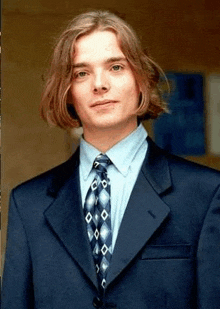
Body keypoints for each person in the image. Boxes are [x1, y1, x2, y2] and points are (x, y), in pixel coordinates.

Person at [2, 10, 220, 309]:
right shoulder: (28, 203)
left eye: (116, 67)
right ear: (67, 92)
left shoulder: (206, 192)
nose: (99, 84)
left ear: (142, 80)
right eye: (81, 73)